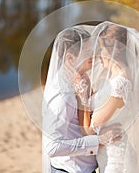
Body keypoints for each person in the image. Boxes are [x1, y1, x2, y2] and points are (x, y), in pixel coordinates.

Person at [76, 21, 139, 172]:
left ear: (111, 52)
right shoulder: (112, 80)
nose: (97, 55)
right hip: (107, 154)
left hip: (116, 158)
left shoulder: (120, 84)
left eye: (100, 49)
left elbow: (90, 130)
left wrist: (81, 99)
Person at [42, 27, 122, 173]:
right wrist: (99, 141)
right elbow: (52, 147)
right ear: (70, 58)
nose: (94, 56)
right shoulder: (63, 95)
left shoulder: (81, 79)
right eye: (87, 53)